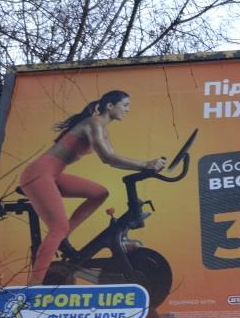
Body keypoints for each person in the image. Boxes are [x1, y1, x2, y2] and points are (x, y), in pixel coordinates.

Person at [19, 90, 166, 286]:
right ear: (110, 106)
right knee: (58, 227)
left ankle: (62, 237)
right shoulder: (92, 123)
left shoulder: (103, 130)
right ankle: (35, 283)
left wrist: (146, 167)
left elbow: (114, 160)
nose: (128, 110)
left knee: (99, 193)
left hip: (52, 174)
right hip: (38, 173)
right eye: (125, 105)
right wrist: (146, 164)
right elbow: (107, 158)